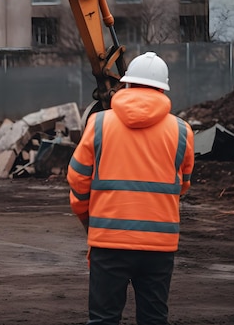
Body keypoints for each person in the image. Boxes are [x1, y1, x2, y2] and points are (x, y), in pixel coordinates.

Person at [67, 51, 194, 325]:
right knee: (154, 318)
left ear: (126, 84)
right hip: (159, 245)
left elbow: (77, 180)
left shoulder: (99, 123)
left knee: (103, 319)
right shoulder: (182, 131)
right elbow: (182, 185)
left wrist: (89, 221)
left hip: (109, 240)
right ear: (162, 88)